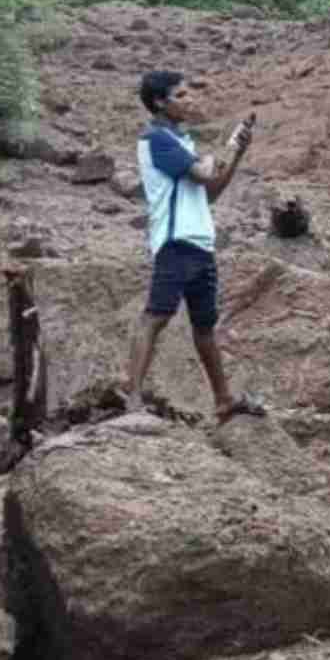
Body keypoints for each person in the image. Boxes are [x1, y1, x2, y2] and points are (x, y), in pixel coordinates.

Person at [121, 70, 263, 423]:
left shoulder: (179, 141)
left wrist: (237, 154)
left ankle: (223, 400)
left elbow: (210, 192)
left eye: (188, 94)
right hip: (176, 240)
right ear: (159, 102)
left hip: (199, 241)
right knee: (156, 316)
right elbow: (203, 173)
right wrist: (215, 156)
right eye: (180, 96)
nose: (189, 101)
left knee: (204, 326)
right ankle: (132, 398)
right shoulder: (157, 139)